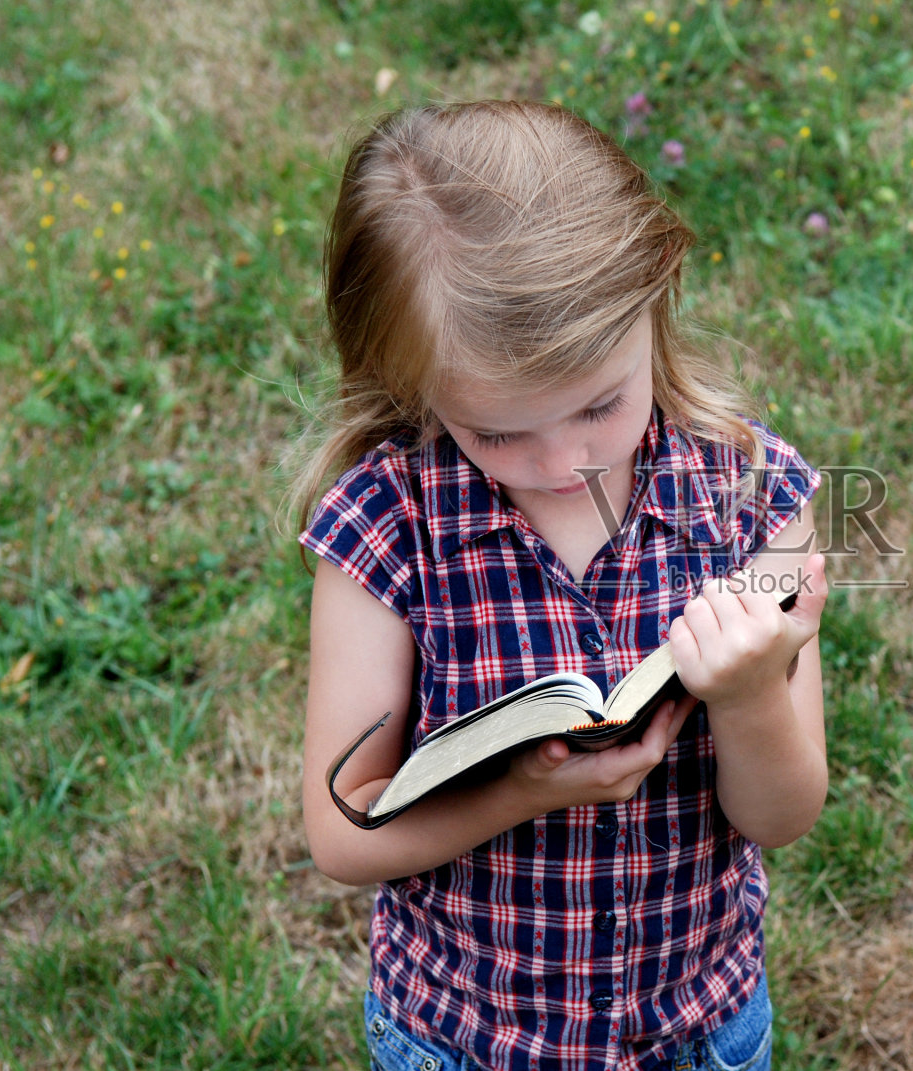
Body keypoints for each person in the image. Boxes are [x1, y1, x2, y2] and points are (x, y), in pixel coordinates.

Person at [289, 100, 828, 1071]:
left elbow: (782, 817)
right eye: (495, 431)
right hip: (467, 1037)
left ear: (654, 306)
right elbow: (342, 831)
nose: (558, 461)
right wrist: (524, 792)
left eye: (598, 405)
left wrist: (749, 697)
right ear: (408, 379)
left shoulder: (754, 498)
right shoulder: (387, 531)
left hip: (698, 1028)